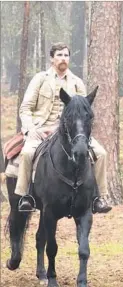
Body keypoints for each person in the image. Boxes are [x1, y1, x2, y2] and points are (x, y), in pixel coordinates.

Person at [15, 42, 112, 214]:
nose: (63, 59)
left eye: (66, 55)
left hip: (69, 132)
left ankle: (98, 198)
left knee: (102, 153)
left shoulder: (77, 83)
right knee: (27, 153)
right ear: (52, 59)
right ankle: (26, 196)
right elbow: (25, 108)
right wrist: (31, 129)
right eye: (59, 55)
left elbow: (84, 111)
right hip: (40, 130)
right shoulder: (40, 79)